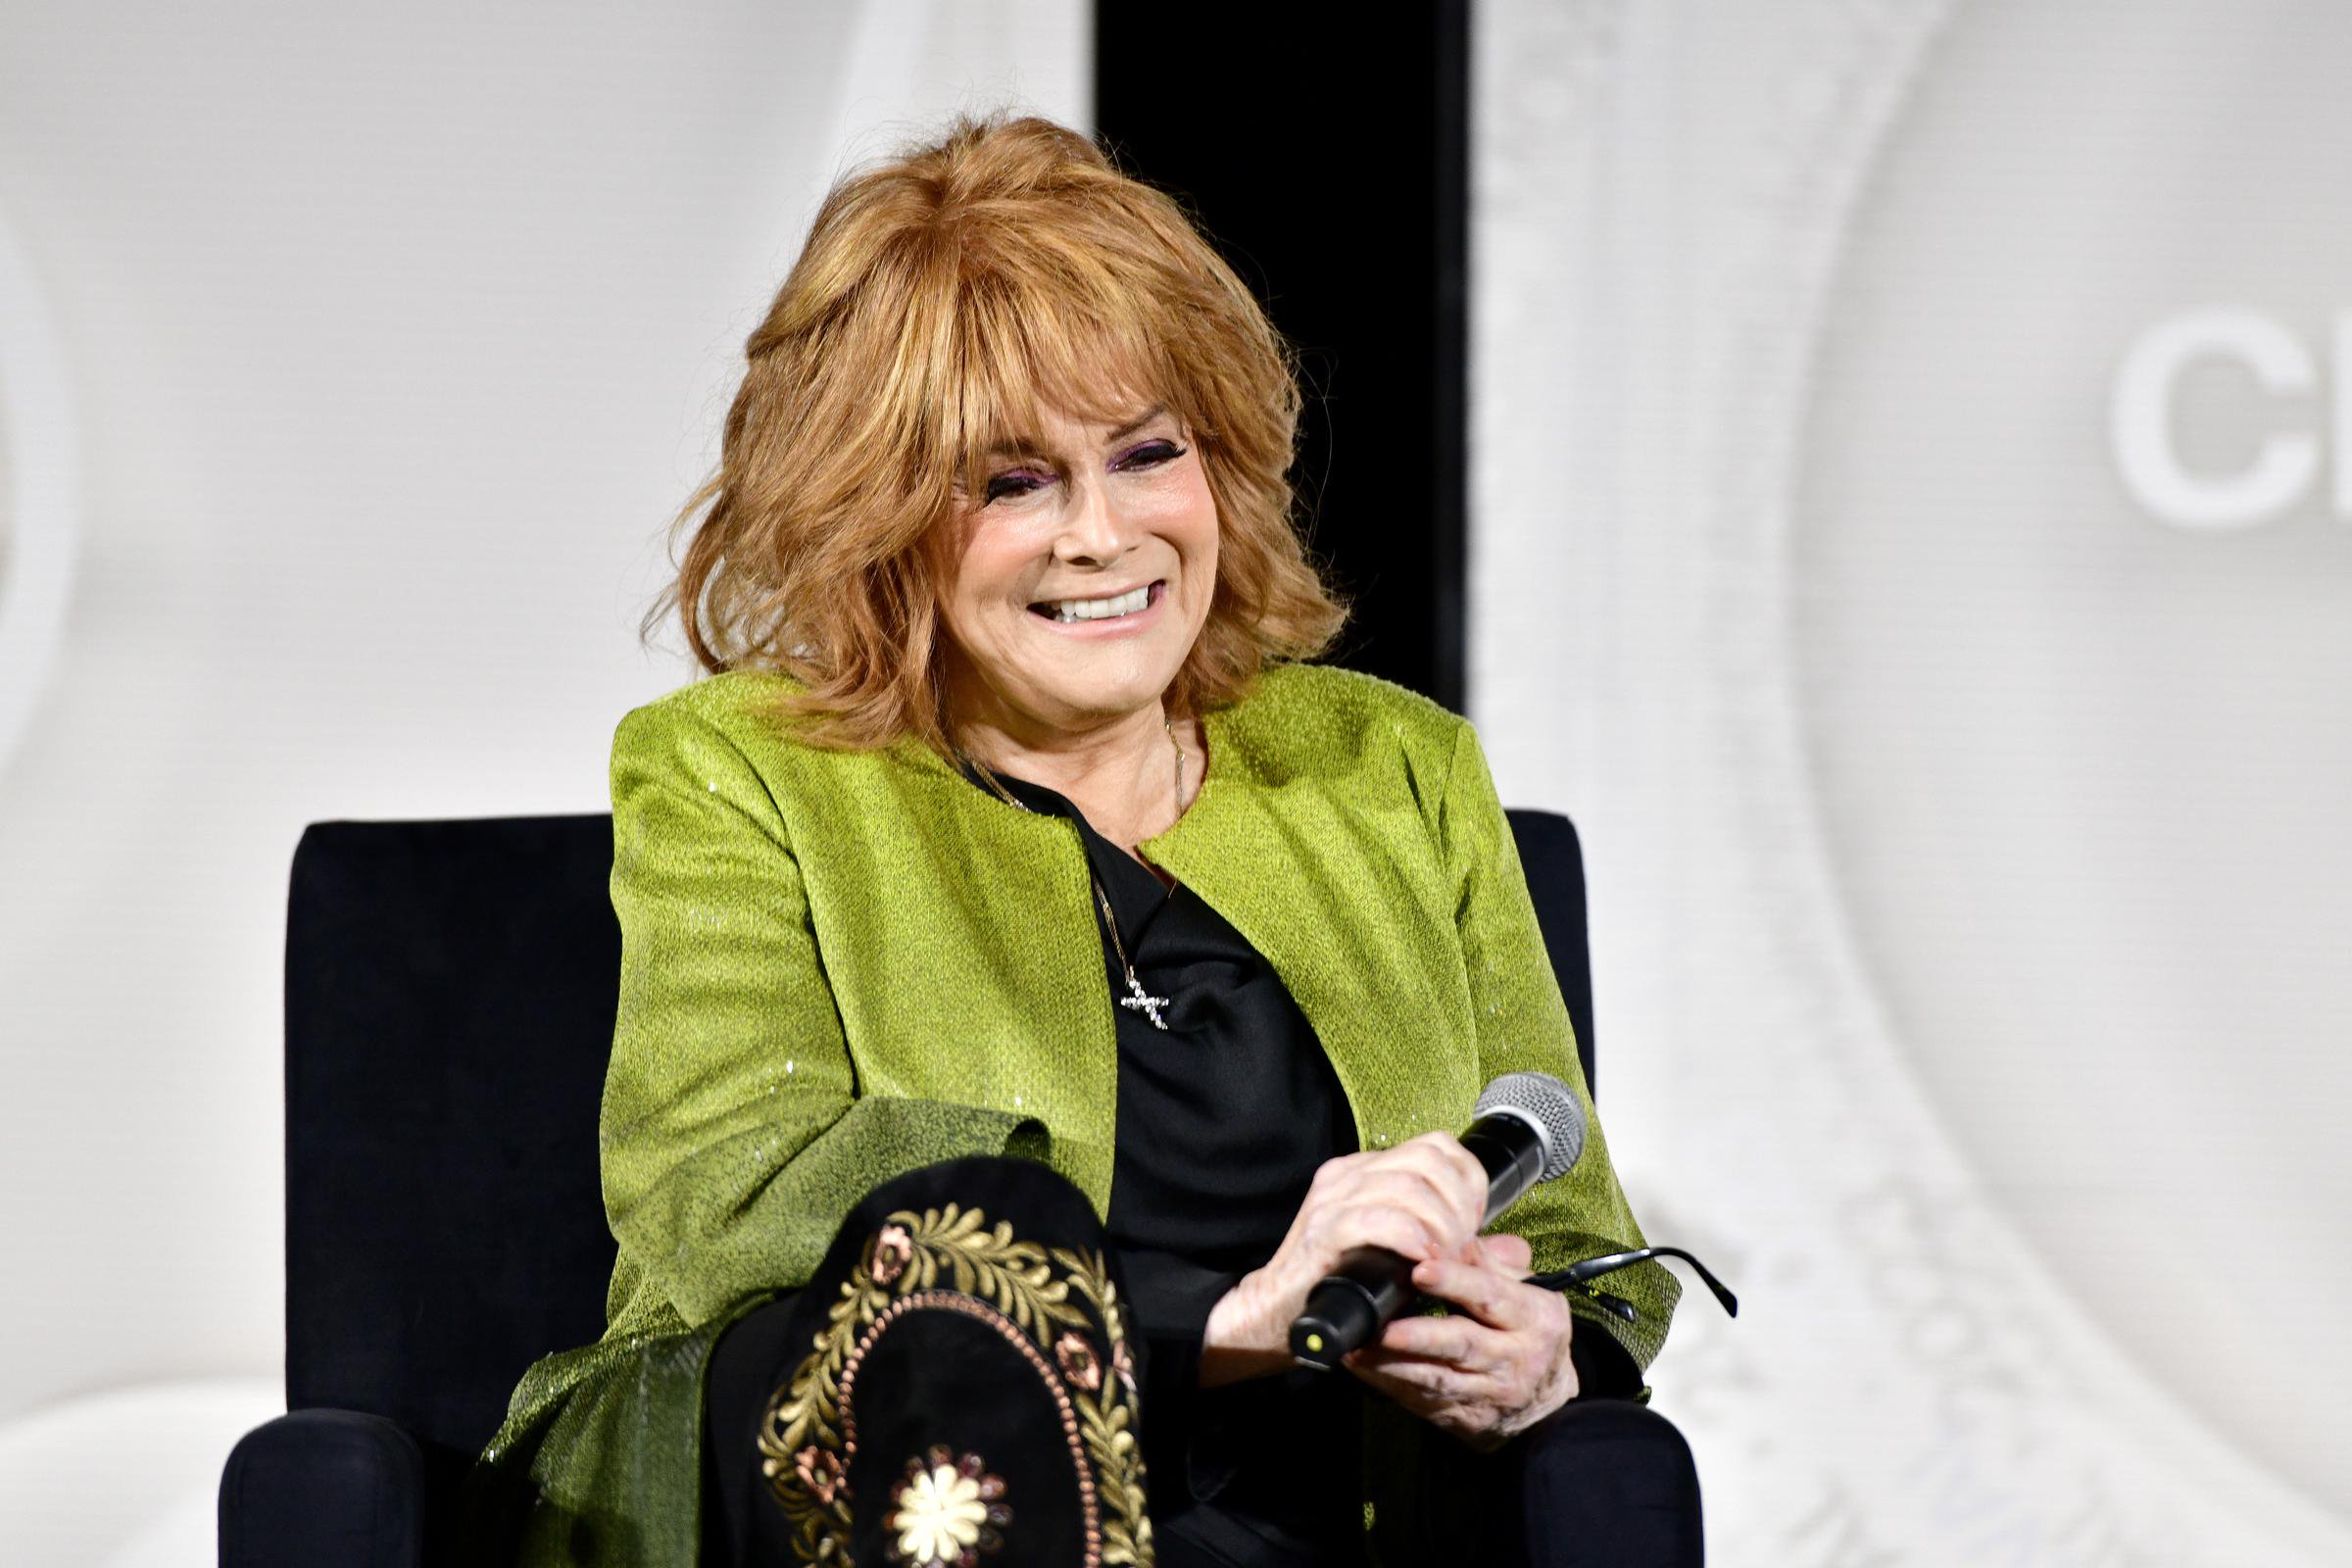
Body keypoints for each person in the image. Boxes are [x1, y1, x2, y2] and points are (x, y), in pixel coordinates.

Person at [469, 114, 1687, 1568]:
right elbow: (725, 1204)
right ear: (882, 517)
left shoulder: (1393, 767)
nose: (1102, 536)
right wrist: (1227, 1324)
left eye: (1146, 453)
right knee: (963, 1238)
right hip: (850, 1501)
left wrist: (1550, 1357)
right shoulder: (743, 769)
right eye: (1011, 482)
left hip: (1320, 1505)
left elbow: (1578, 1245)